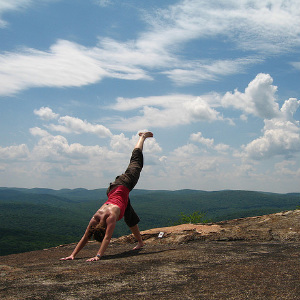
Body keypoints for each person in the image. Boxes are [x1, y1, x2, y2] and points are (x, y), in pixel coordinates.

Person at [60, 132, 153, 262]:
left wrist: (98, 256)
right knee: (129, 216)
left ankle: (142, 137)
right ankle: (140, 242)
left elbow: (107, 238)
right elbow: (86, 237)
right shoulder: (95, 218)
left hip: (123, 184)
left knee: (136, 161)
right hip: (113, 191)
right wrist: (72, 255)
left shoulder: (110, 218)